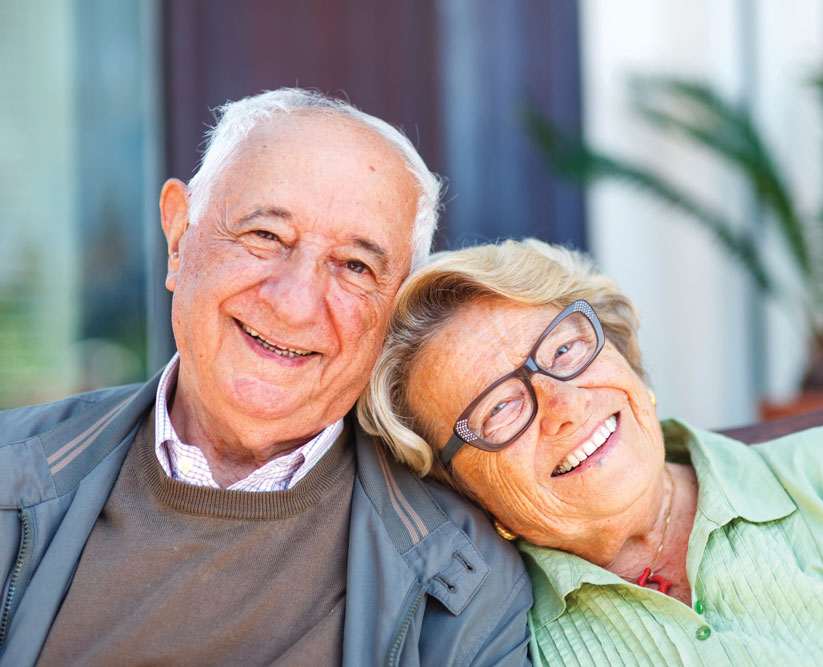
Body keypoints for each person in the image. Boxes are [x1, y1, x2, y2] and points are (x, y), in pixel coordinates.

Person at [0, 89, 531, 666]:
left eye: (355, 266)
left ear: (392, 311)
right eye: (266, 236)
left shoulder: (464, 583)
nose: (295, 303)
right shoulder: (10, 472)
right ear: (180, 238)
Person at [359, 238, 823, 666]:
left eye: (561, 349)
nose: (562, 404)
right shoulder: (507, 636)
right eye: (499, 409)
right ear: (463, 487)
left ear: (619, 348)